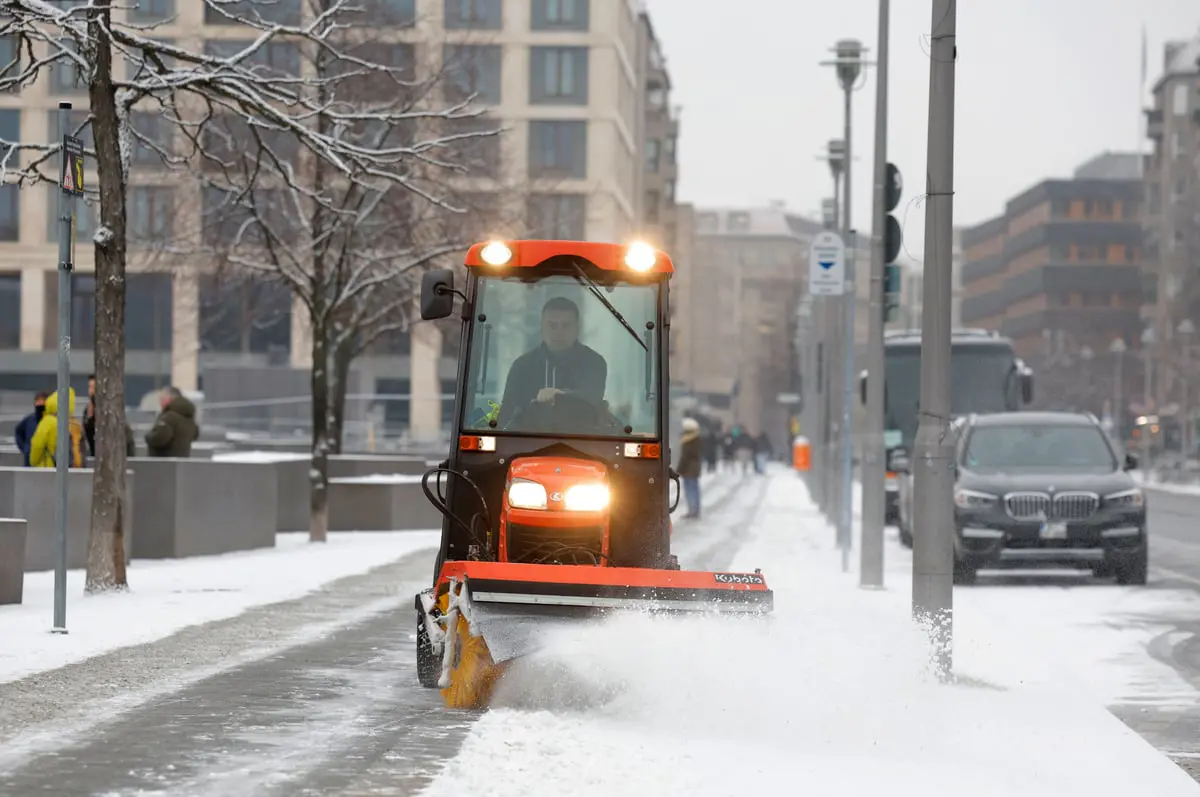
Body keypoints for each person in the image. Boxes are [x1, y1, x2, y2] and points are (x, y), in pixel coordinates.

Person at [497, 296, 607, 427]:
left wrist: (560, 395)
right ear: (542, 327)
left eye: (566, 325)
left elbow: (592, 396)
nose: (559, 332)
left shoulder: (594, 362)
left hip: (582, 441)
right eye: (552, 325)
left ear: (577, 329)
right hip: (528, 441)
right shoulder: (522, 366)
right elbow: (507, 414)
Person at [29, 388, 85, 468]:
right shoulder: (75, 424)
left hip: (47, 470)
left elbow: (37, 446)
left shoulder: (47, 422)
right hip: (71, 472)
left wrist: (33, 462)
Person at [145, 386, 200, 458]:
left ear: (170, 398)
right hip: (182, 462)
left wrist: (148, 437)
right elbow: (195, 434)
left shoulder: (168, 417)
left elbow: (160, 438)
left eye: (162, 398)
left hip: (163, 463)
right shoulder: (188, 416)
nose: (160, 402)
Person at [677, 417, 703, 518]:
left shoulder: (688, 441)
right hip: (694, 469)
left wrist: (679, 470)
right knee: (694, 489)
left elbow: (684, 457)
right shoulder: (697, 440)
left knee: (690, 490)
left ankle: (692, 511)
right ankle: (695, 510)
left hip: (688, 469)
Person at [14, 391, 49, 467]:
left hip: (46, 462)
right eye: (38, 401)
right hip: (29, 461)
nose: (40, 404)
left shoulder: (50, 421)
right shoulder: (29, 420)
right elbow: (18, 432)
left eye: (43, 401)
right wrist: (25, 448)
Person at [83, 373, 96, 457]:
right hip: (92, 456)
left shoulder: (109, 411)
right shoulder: (87, 410)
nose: (91, 391)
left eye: (93, 387)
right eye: (89, 387)